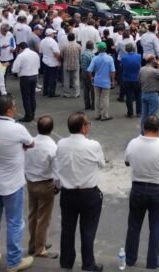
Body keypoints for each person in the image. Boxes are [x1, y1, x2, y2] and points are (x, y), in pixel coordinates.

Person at [0, 95, 35, 272]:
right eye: (14, 107)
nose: (15, 109)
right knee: (14, 222)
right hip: (12, 184)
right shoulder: (16, 129)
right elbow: (31, 143)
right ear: (8, 110)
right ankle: (14, 261)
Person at [124, 115, 159, 270]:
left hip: (137, 189)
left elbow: (127, 161)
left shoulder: (133, 144)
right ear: (158, 130)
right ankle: (152, 262)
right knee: (156, 227)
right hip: (157, 191)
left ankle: (130, 258)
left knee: (134, 226)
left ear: (143, 127)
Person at [54, 112, 106, 272]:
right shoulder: (93, 145)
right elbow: (102, 164)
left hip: (68, 193)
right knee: (88, 230)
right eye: (87, 123)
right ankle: (88, 264)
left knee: (67, 230)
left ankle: (66, 263)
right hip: (88, 193)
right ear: (83, 127)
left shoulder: (61, 144)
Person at [24, 115, 58, 259]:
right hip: (45, 183)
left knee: (32, 214)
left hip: (31, 182)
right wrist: (57, 186)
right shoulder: (52, 147)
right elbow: (57, 171)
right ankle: (40, 248)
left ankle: (34, 243)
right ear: (51, 129)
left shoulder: (30, 142)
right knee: (43, 217)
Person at [11, 42, 40, 123]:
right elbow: (38, 66)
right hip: (34, 76)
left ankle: (28, 115)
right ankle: (32, 113)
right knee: (32, 96)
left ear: (20, 48)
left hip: (25, 77)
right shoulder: (35, 54)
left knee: (26, 97)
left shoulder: (21, 56)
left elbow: (14, 69)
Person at [88, 42, 115, 121]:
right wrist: (113, 81)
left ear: (98, 49)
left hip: (97, 81)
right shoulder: (109, 58)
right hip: (106, 81)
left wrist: (92, 78)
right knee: (105, 98)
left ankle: (97, 114)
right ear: (105, 49)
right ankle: (104, 115)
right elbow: (113, 71)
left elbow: (89, 70)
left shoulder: (95, 58)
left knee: (97, 98)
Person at [121, 44, 142, 118]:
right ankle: (139, 112)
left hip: (127, 79)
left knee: (129, 97)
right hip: (137, 79)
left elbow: (122, 67)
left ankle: (130, 113)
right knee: (138, 96)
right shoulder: (139, 56)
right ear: (133, 49)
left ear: (126, 50)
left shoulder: (124, 58)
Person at [40, 29, 61, 97]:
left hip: (45, 61)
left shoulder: (42, 41)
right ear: (50, 34)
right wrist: (59, 60)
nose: (54, 35)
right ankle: (51, 92)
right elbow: (56, 53)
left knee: (46, 77)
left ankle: (45, 91)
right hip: (52, 62)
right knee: (52, 78)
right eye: (53, 33)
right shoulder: (53, 42)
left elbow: (41, 51)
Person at [61, 33, 82, 99]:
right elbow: (80, 55)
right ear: (74, 38)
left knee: (66, 79)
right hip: (75, 64)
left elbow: (61, 55)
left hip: (66, 64)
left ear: (67, 38)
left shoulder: (64, 46)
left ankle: (66, 93)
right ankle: (76, 93)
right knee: (76, 79)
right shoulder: (78, 46)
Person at [80, 41, 95, 111]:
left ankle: (87, 105)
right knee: (93, 90)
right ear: (92, 47)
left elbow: (80, 61)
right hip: (90, 72)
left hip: (83, 71)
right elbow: (93, 64)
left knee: (86, 89)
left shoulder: (83, 53)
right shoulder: (91, 55)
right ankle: (93, 105)